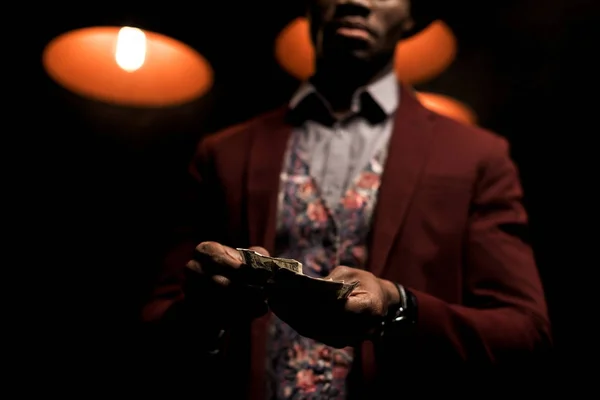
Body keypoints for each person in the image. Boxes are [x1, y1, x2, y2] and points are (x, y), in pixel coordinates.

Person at [141, 0, 551, 398]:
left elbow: (526, 332)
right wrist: (201, 315)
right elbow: (156, 329)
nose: (356, 0)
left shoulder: (476, 156)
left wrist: (399, 304)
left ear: (413, 15)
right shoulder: (224, 154)